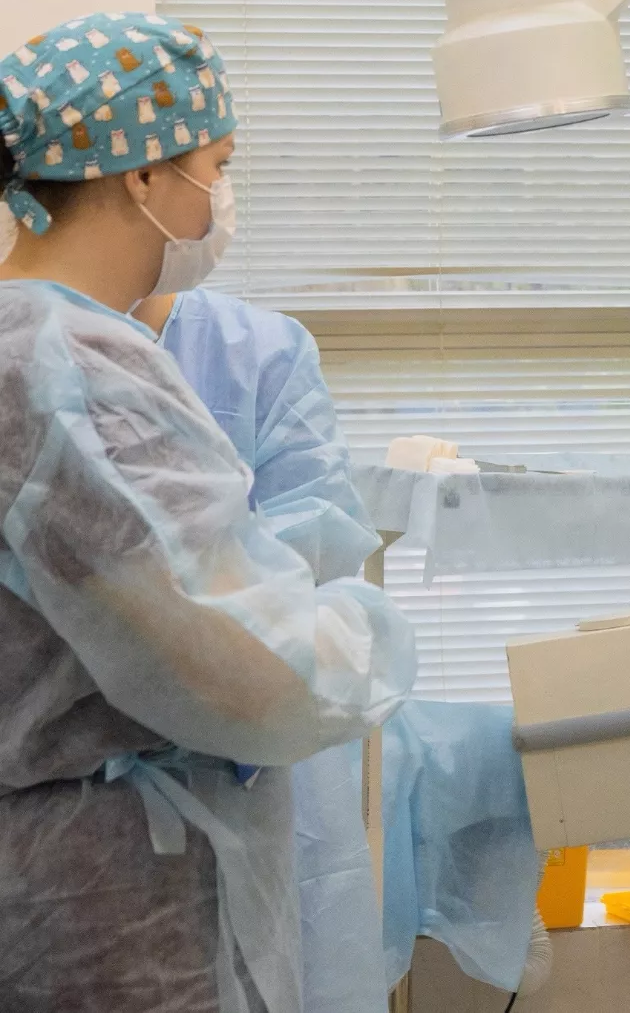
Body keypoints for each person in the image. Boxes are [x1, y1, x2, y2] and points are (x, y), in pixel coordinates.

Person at [0, 11, 415, 1013]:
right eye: (214, 167)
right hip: (105, 895)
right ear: (142, 174)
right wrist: (363, 638)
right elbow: (249, 670)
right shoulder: (72, 373)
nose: (217, 198)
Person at [132, 287, 391, 1013]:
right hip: (58, 794)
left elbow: (311, 542)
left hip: (248, 763)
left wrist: (192, 612)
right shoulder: (39, 355)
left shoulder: (255, 352)